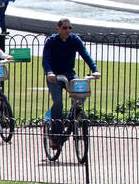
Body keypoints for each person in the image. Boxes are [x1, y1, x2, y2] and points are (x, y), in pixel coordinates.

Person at [43, 18, 100, 149]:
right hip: (55, 76)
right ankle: (55, 135)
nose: (68, 30)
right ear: (58, 28)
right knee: (58, 102)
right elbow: (45, 59)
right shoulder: (51, 41)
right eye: (64, 28)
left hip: (69, 74)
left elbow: (85, 55)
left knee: (82, 93)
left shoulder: (74, 40)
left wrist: (95, 70)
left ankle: (72, 116)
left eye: (70, 28)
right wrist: (49, 72)